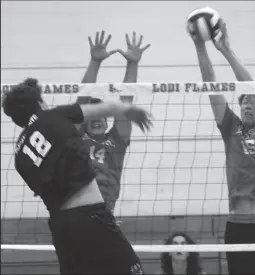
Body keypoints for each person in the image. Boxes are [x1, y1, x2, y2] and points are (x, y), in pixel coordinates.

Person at [2, 78, 152, 274]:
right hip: (92, 217)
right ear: (39, 103)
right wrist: (128, 110)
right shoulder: (53, 116)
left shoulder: (19, 156)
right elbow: (101, 109)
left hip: (61, 229)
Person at [189, 19, 255, 274]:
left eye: (251, 102)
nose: (246, 104)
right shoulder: (231, 128)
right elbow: (211, 87)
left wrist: (225, 49)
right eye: (242, 101)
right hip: (238, 226)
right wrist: (200, 47)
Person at [78, 31, 150, 212]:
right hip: (75, 204)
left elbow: (125, 102)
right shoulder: (76, 136)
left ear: (107, 119)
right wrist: (95, 62)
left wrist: (132, 63)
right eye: (91, 116)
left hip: (105, 206)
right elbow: (82, 99)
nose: (97, 120)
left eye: (101, 115)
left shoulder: (117, 140)